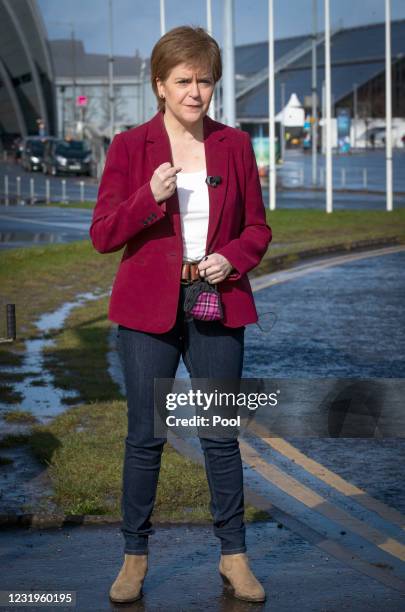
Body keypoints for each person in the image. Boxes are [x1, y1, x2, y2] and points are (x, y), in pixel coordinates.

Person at [89, 26, 272, 604]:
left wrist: (231, 258)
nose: (196, 92)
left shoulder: (235, 146)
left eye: (205, 80)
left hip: (217, 303)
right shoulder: (128, 147)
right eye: (183, 81)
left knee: (220, 435)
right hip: (148, 310)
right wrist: (149, 198)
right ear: (160, 87)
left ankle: (234, 557)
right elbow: (103, 235)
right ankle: (134, 559)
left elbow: (259, 229)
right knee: (146, 437)